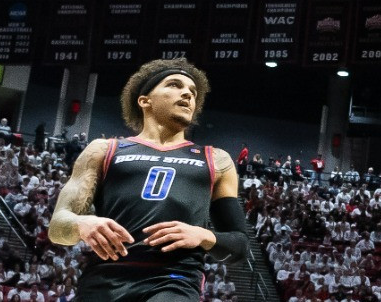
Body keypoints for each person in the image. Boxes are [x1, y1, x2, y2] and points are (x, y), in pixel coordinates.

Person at [49, 59, 249, 302]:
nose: (187, 93)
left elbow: (239, 245)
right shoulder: (103, 150)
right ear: (144, 100)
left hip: (174, 279)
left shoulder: (217, 160)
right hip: (104, 279)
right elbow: (57, 228)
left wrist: (204, 236)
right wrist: (82, 224)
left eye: (193, 91)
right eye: (174, 85)